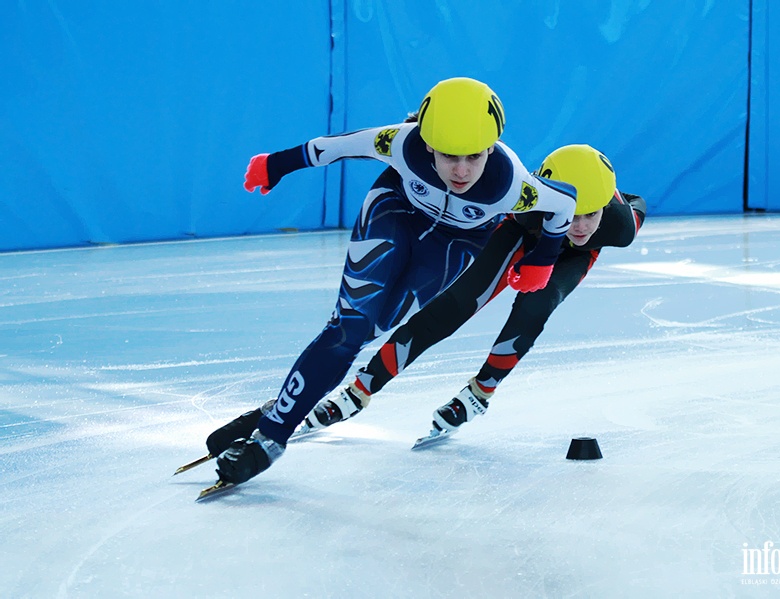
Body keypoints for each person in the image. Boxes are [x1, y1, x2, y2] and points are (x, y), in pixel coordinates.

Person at [208, 77, 579, 486]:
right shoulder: (403, 143)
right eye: (449, 156)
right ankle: (269, 440)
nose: (461, 171)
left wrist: (543, 261)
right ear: (428, 144)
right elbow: (335, 146)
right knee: (347, 329)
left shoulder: (510, 186)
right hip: (394, 212)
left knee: (367, 334)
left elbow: (562, 204)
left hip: (454, 245)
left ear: (490, 148)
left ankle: (277, 409)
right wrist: (274, 165)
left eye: (474, 157)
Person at [299, 144, 646, 440]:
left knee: (536, 307)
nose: (581, 226)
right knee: (454, 304)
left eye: (591, 215)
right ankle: (359, 391)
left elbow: (635, 201)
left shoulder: (620, 227)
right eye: (573, 215)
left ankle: (481, 393)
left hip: (572, 257)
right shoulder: (528, 204)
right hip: (527, 232)